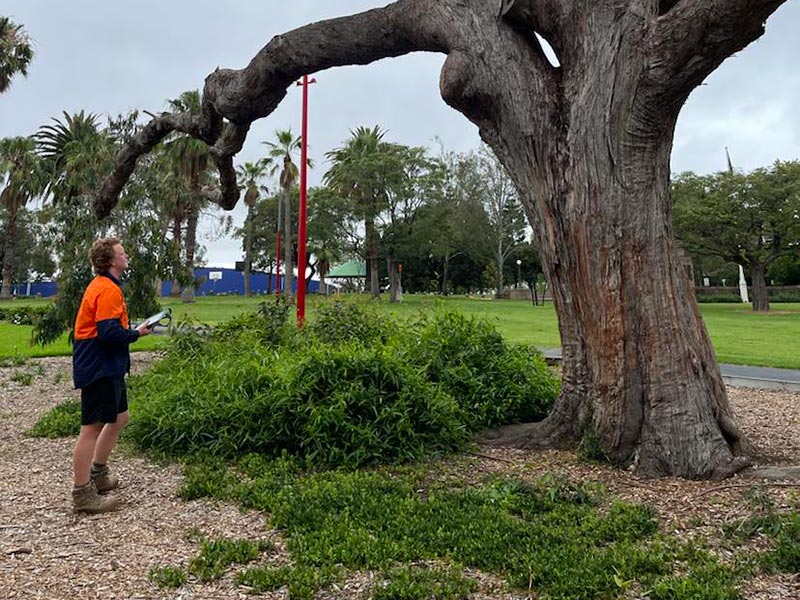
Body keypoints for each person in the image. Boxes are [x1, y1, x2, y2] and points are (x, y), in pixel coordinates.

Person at [71, 238, 151, 513]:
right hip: (99, 366)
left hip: (108, 365)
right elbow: (108, 334)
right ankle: (82, 493)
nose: (126, 255)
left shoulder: (107, 286)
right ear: (109, 260)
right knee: (91, 428)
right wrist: (136, 333)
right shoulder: (106, 290)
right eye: (121, 252)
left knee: (119, 417)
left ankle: (98, 473)